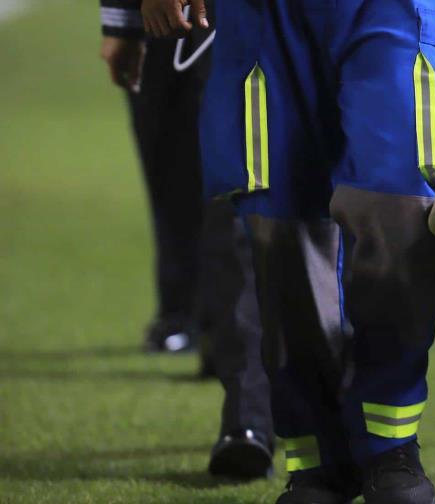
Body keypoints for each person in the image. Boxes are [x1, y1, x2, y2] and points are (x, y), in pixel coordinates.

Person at [140, 0, 435, 502]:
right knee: (280, 228)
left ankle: (391, 448)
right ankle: (317, 459)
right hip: (261, 17)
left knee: (400, 212)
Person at [99, 0, 275, 479]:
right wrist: (122, 19)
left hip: (306, 22)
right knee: (200, 183)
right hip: (199, 22)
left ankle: (251, 412)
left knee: (246, 201)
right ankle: (239, 390)